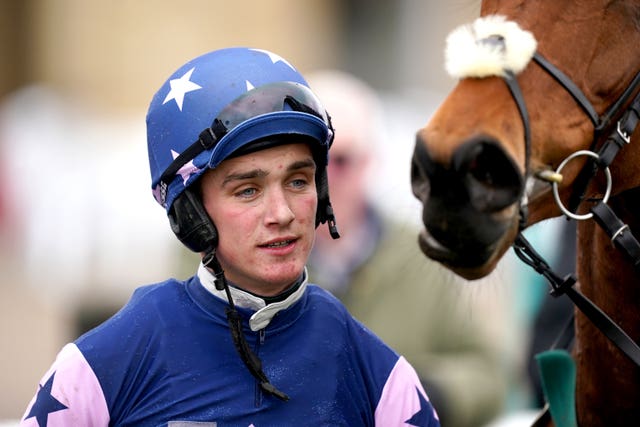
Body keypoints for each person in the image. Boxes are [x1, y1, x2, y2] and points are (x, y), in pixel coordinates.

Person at [19, 47, 440, 426]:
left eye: (298, 181)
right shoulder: (102, 365)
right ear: (192, 213)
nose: (282, 214)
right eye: (248, 190)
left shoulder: (381, 378)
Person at [306, 70, 508, 427]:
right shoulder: (238, 255)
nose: (325, 179)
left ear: (370, 162)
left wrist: (420, 393)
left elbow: (488, 375)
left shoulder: (425, 255)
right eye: (310, 164)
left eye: (340, 161)